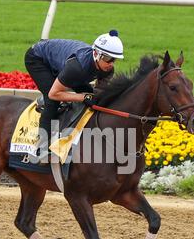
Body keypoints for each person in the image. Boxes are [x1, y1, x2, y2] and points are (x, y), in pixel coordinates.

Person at [24, 30, 124, 163]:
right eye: (107, 58)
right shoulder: (77, 68)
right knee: (52, 102)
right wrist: (83, 97)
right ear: (96, 54)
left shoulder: (107, 70)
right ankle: (40, 149)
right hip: (38, 59)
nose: (111, 63)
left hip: (65, 63)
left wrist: (93, 98)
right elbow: (54, 94)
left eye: (114, 59)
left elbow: (98, 96)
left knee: (93, 100)